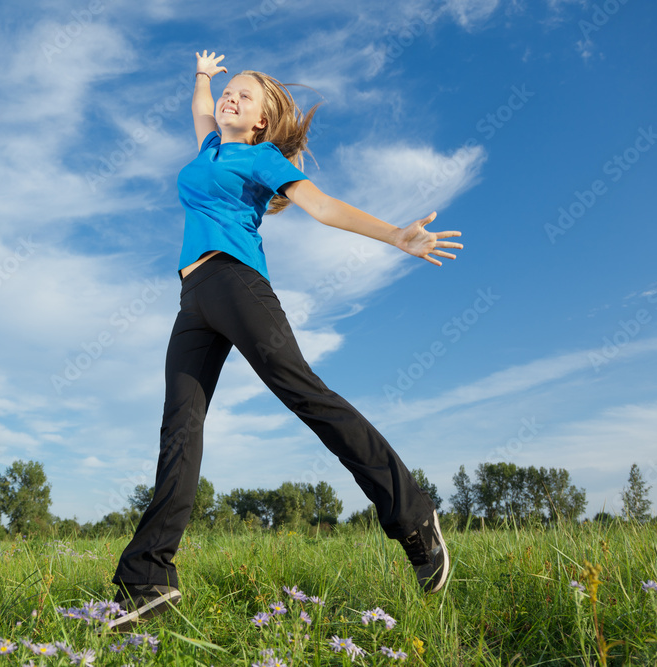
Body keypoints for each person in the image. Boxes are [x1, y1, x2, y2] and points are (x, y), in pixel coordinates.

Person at [108, 50, 463, 631]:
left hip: (237, 282)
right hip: (193, 298)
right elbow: (201, 107)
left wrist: (397, 236)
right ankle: (147, 579)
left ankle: (414, 518)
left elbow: (320, 207)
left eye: (244, 97)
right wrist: (204, 74)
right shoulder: (209, 150)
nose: (230, 99)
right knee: (180, 428)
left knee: (306, 396)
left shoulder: (261, 158)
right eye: (232, 92)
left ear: (262, 123)